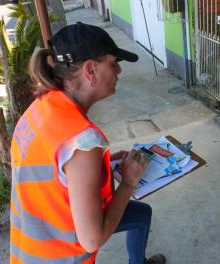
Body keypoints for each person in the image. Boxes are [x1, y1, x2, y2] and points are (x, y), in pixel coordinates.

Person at [10, 22, 166, 264]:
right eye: (114, 63)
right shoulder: (83, 142)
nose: (119, 72)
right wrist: (129, 181)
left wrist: (98, 167)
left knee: (140, 214)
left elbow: (53, 170)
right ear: (90, 71)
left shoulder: (39, 108)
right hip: (61, 256)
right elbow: (92, 240)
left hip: (29, 249)